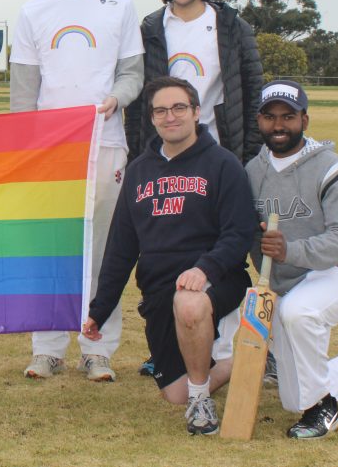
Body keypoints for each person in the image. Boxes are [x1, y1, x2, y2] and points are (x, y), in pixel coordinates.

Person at [10, 0, 143, 382]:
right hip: (51, 153)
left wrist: (116, 100)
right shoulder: (33, 10)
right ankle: (47, 348)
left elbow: (132, 74)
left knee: (103, 251)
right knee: (52, 248)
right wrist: (28, 150)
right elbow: (24, 91)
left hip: (105, 143)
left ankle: (97, 348)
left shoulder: (119, 5)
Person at [126, 0, 264, 380]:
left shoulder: (231, 25)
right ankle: (170, 343)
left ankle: (245, 341)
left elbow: (250, 86)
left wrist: (250, 150)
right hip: (167, 151)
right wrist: (139, 153)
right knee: (166, 247)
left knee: (224, 247)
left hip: (219, 150)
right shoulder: (150, 27)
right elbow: (141, 96)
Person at [83, 76, 254, 435]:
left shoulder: (224, 165)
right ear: (152, 119)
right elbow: (121, 247)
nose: (170, 116)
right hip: (160, 290)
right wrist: (100, 309)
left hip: (216, 280)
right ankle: (248, 362)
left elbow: (239, 233)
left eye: (178, 107)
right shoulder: (138, 172)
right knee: (174, 393)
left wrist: (205, 269)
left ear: (195, 111)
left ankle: (201, 400)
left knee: (190, 303)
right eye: (160, 110)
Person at [246, 80, 338, 439]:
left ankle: (323, 410)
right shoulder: (252, 172)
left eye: (288, 117)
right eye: (270, 117)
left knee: (299, 312)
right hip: (285, 284)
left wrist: (290, 251)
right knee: (291, 398)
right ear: (259, 120)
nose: (278, 126)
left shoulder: (331, 168)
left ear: (305, 120)